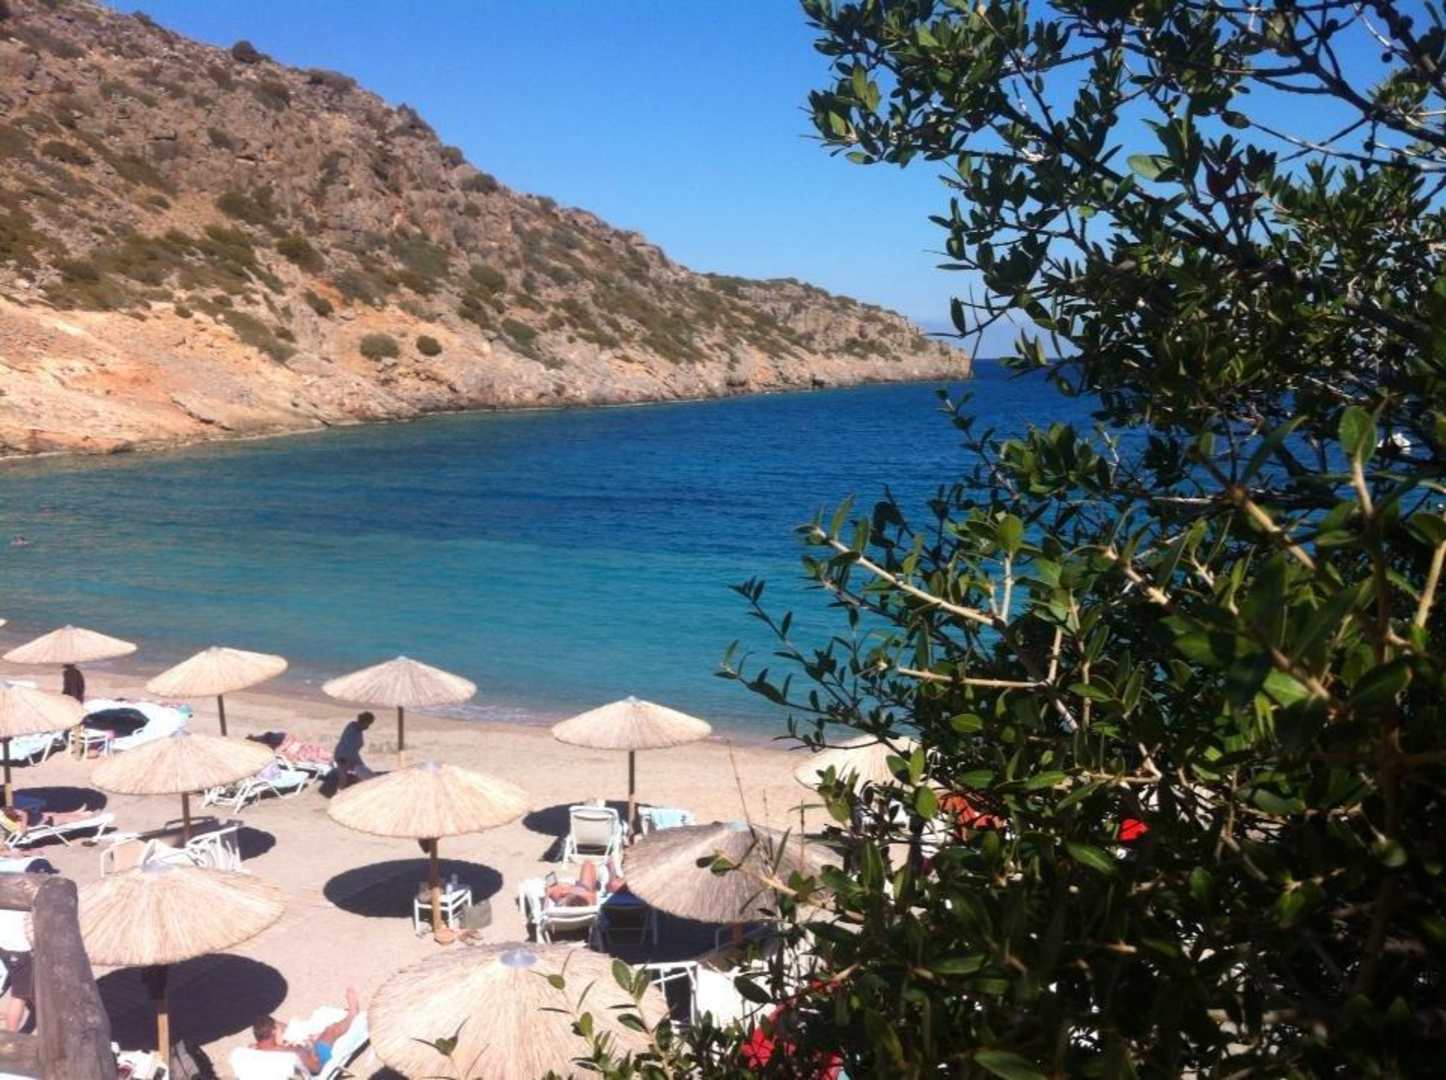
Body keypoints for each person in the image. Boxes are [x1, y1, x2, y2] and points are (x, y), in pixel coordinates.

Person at [252, 988, 361, 1075]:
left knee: (310, 1034)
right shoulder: (293, 1052)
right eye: (280, 1029)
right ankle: (352, 1014)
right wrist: (311, 1047)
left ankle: (341, 1017)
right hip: (314, 1062)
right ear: (274, 1031)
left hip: (295, 1064)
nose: (283, 1032)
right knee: (330, 1030)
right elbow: (316, 1068)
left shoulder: (253, 1050)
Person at [545, 858, 626, 907]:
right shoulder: (591, 901)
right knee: (588, 864)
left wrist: (547, 894)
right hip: (585, 894)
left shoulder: (559, 907)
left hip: (582, 894)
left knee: (588, 863)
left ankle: (573, 886)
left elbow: (545, 912)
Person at [332, 712, 375, 788]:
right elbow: (346, 745)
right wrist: (344, 758)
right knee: (343, 779)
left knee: (363, 774)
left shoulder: (358, 731)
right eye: (368, 724)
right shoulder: (352, 728)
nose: (368, 727)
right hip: (343, 757)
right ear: (364, 721)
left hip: (352, 758)